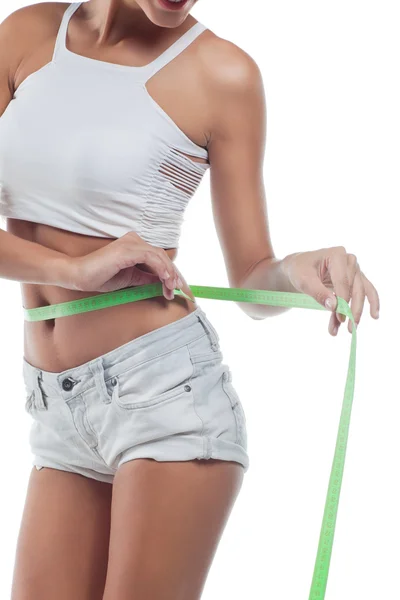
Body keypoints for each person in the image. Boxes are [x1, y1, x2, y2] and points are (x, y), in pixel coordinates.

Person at [0, 1, 380, 598]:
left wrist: (299, 270)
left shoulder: (222, 73)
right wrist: (71, 269)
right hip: (56, 408)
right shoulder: (25, 35)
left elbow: (256, 279)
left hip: (165, 398)